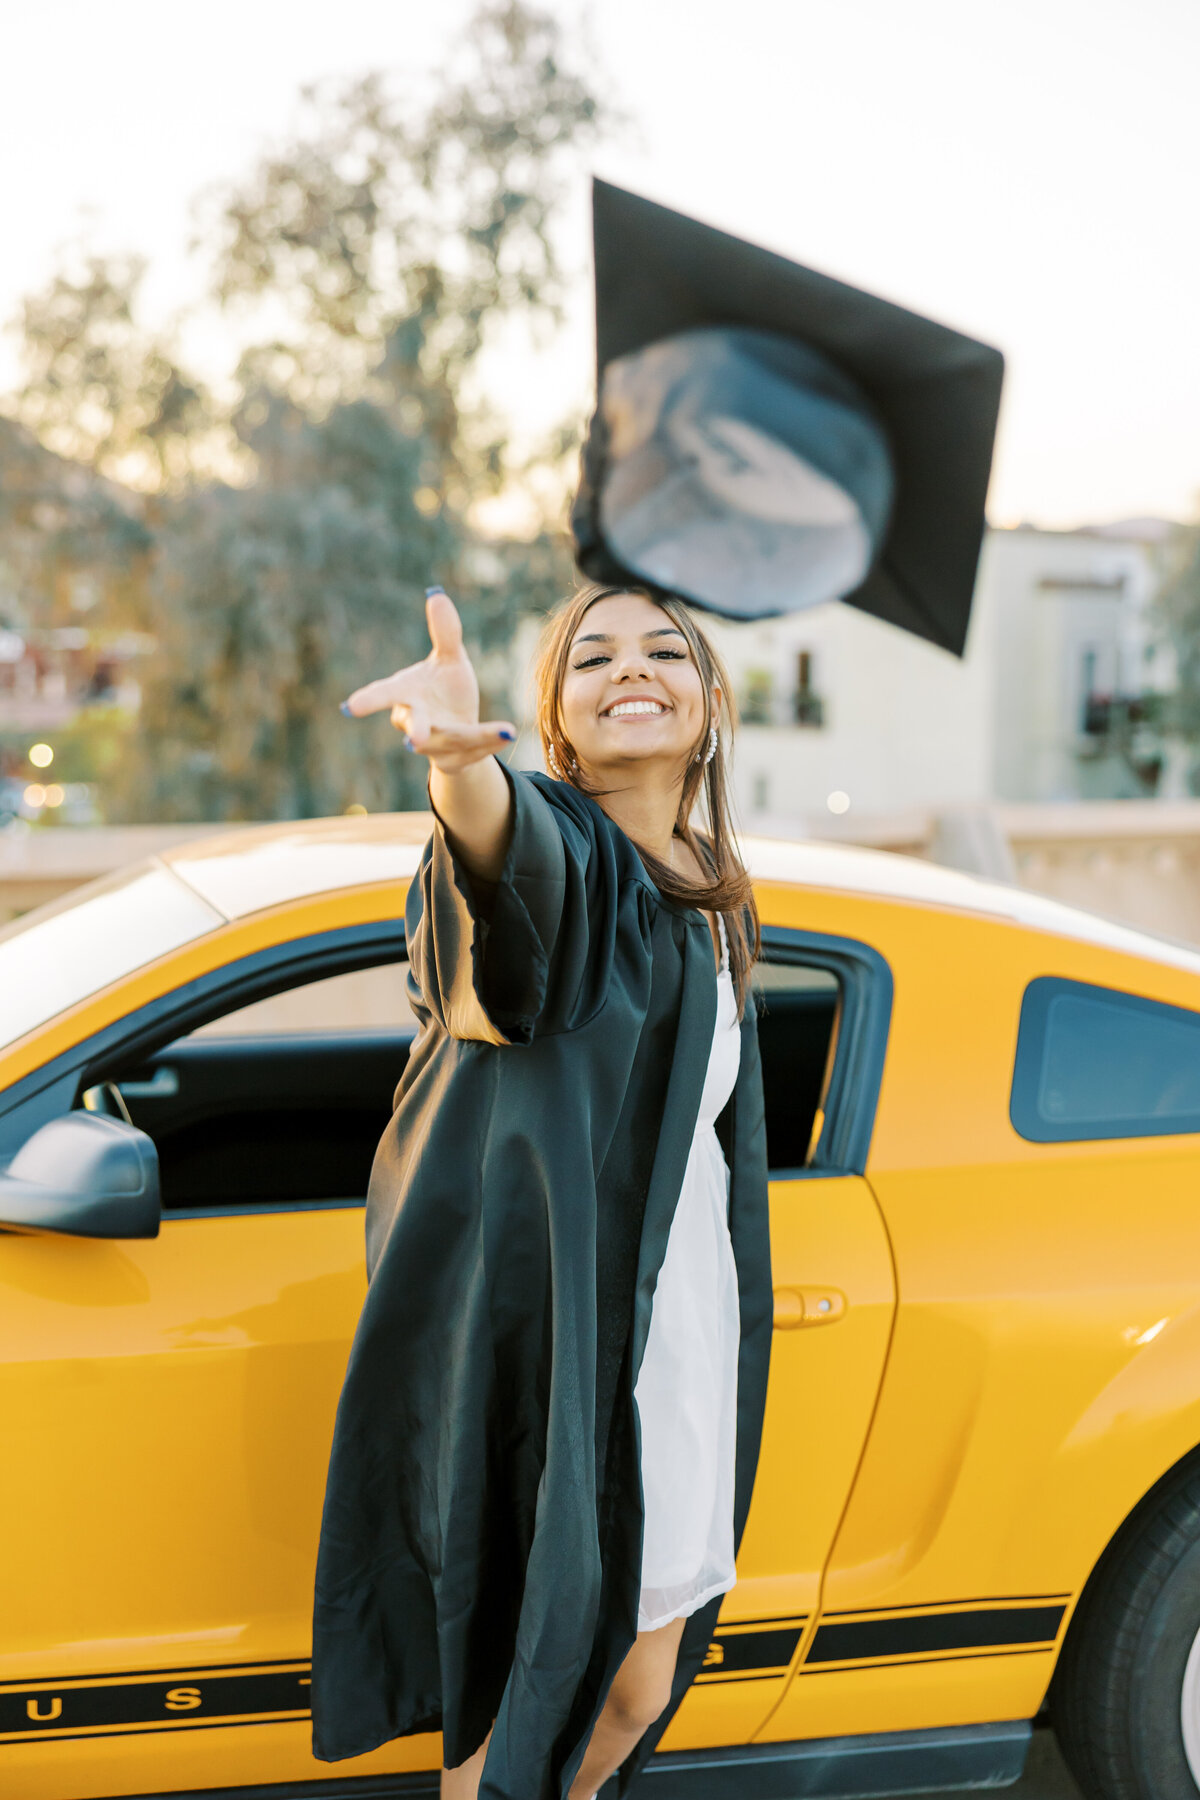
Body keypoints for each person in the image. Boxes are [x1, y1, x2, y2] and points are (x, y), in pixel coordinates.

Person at [311, 581, 773, 1800]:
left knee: (634, 1682)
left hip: (671, 1331)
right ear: (554, 718)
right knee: (524, 1680)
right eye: (594, 657)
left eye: (667, 650)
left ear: (711, 703)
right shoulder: (565, 844)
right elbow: (504, 896)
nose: (634, 668)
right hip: (551, 1332)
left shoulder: (712, 892)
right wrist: (461, 772)